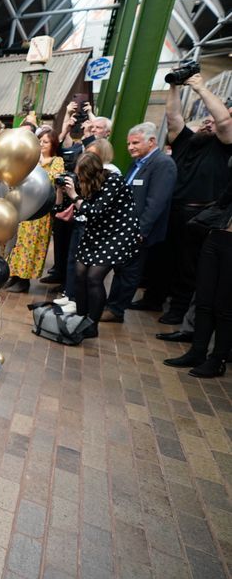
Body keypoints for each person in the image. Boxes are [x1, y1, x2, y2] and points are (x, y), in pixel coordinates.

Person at [137, 74, 232, 322]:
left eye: (212, 121)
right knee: (161, 258)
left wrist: (200, 87)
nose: (209, 123)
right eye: (205, 120)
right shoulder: (187, 141)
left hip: (199, 214)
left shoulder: (224, 145)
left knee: (187, 266)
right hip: (172, 210)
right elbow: (173, 118)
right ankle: (152, 299)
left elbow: (223, 120)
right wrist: (173, 86)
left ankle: (178, 310)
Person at [101, 122, 177, 323]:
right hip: (123, 228)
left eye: (135, 143)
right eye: (128, 144)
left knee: (130, 272)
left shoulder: (163, 164)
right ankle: (112, 304)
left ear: (152, 141)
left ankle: (116, 310)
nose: (130, 147)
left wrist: (140, 231)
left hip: (137, 231)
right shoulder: (137, 163)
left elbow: (156, 203)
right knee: (120, 268)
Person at [59, 152, 140, 338]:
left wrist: (74, 195)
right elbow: (61, 210)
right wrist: (61, 192)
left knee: (94, 277)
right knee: (80, 273)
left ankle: (92, 325)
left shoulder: (114, 181)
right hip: (96, 231)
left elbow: (94, 211)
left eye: (81, 175)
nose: (79, 179)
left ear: (92, 173)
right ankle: (80, 318)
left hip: (117, 234)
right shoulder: (87, 183)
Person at [162, 183, 232, 377]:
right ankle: (197, 352)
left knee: (224, 306)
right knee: (203, 299)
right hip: (218, 232)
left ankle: (217, 360)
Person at [5, 127, 62, 292]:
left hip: (40, 211)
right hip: (24, 207)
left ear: (53, 144)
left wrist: (40, 166)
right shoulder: (31, 159)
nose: (41, 144)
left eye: (45, 142)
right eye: (39, 142)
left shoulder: (56, 161)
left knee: (31, 247)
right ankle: (13, 276)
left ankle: (24, 281)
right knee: (17, 244)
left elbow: (52, 181)